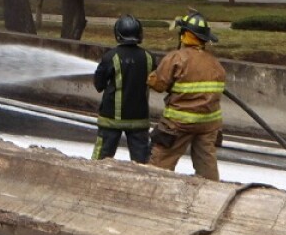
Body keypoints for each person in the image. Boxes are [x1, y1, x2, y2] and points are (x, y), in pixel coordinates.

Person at [147, 12, 227, 181]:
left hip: (178, 123)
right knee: (207, 167)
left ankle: (152, 196)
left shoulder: (177, 58)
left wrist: (152, 75)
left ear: (184, 35)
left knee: (160, 165)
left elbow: (158, 85)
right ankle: (211, 196)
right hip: (208, 125)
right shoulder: (215, 64)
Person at [92, 15, 154, 163]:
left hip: (111, 119)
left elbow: (98, 85)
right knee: (142, 164)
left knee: (100, 160)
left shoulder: (110, 57)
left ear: (118, 34)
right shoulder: (149, 57)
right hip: (139, 119)